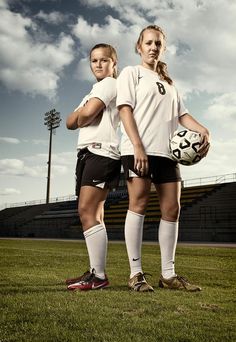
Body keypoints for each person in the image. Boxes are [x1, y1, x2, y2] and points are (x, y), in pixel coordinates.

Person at [116, 25, 210, 292]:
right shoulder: (131, 74)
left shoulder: (170, 84)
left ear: (163, 48)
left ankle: (168, 275)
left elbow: (182, 116)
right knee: (139, 204)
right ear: (139, 46)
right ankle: (136, 274)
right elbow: (125, 111)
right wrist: (137, 147)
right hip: (138, 150)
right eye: (148, 43)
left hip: (167, 153)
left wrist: (202, 129)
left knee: (172, 209)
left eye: (158, 43)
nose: (153, 47)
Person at [66, 43, 121, 291]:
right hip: (88, 153)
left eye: (103, 60)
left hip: (102, 152)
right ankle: (95, 271)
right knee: (95, 215)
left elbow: (84, 117)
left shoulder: (109, 84)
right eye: (94, 60)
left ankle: (98, 277)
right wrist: (84, 112)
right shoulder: (94, 89)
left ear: (113, 63)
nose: (98, 64)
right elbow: (69, 122)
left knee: (86, 210)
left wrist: (83, 114)